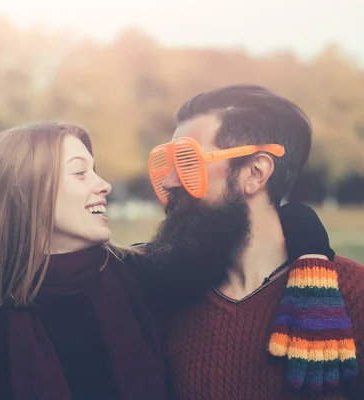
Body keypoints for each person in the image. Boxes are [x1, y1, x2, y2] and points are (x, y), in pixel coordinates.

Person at [0, 122, 167, 400]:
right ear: (27, 191)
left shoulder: (148, 277)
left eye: (95, 171)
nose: (104, 185)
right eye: (80, 173)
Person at [139, 85, 364, 399]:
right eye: (168, 164)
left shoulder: (352, 295)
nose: (168, 181)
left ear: (256, 173)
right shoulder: (162, 286)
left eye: (188, 162)